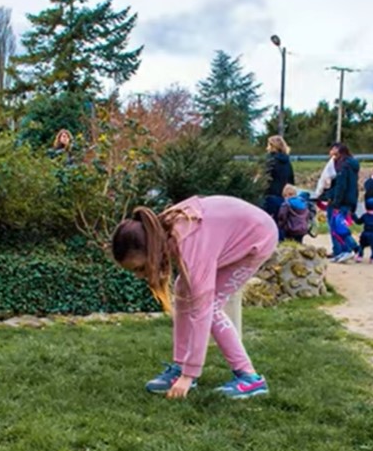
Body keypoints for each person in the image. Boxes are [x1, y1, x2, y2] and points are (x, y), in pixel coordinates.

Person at [111, 195, 277, 400]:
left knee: (211, 305)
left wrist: (189, 375)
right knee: (182, 288)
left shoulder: (190, 245)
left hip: (257, 237)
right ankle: (180, 365)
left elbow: (202, 311)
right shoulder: (159, 231)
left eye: (140, 268)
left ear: (150, 250)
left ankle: (250, 378)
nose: (139, 275)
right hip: (235, 231)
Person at [263, 135, 295, 221]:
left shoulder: (270, 161)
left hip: (270, 195)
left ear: (272, 146)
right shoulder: (287, 162)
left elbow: (264, 178)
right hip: (284, 197)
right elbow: (291, 180)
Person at [328, 144, 360, 219]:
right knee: (344, 226)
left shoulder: (342, 167)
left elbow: (341, 186)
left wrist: (336, 203)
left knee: (336, 227)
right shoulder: (352, 165)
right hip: (350, 201)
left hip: (341, 202)